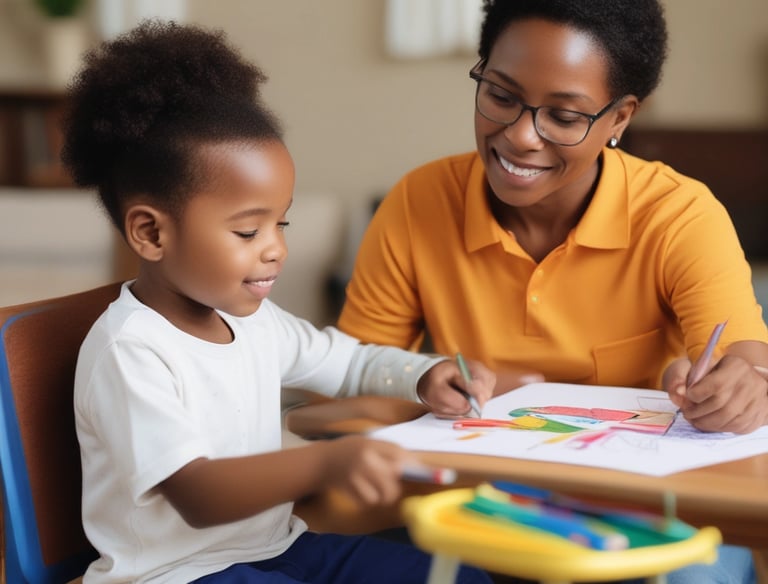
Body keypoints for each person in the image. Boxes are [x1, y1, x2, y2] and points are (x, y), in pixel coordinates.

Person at [338, 0, 767, 582]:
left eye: (564, 117)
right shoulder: (417, 203)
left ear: (620, 119)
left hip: (647, 512)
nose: (519, 137)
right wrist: (428, 386)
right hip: (479, 505)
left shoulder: (678, 214)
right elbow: (347, 384)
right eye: (500, 95)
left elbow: (744, 358)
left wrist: (739, 389)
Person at [63, 21, 495, 584]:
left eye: (281, 223)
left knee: (456, 576)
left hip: (276, 550)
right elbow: (198, 494)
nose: (276, 250)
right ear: (151, 233)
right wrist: (329, 462)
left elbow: (350, 362)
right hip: (176, 575)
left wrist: (424, 375)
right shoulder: (131, 350)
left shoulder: (256, 323)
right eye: (248, 232)